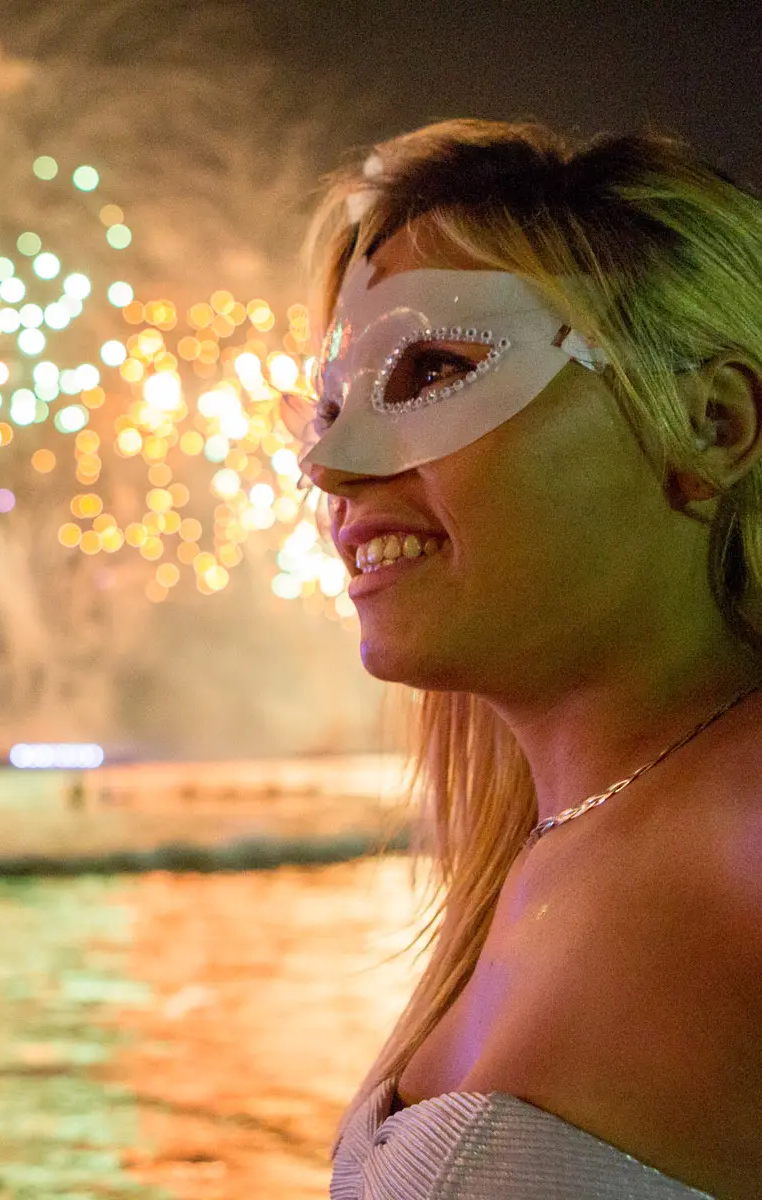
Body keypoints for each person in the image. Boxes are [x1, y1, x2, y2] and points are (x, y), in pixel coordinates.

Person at [305, 121, 762, 1197]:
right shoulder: (540, 853)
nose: (330, 464)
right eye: (329, 404)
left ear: (713, 421)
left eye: (433, 371)